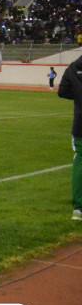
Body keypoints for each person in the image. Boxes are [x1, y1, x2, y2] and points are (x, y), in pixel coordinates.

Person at [57, 56, 82, 221]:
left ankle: (79, 208)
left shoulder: (73, 67)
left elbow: (63, 91)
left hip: (80, 123)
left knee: (80, 162)